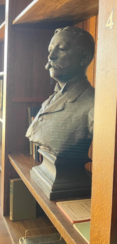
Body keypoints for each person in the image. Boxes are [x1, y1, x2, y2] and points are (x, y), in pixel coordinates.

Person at [26, 26, 95, 160]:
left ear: (85, 58)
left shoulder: (94, 105)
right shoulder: (54, 97)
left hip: (70, 175)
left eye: (61, 49)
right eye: (50, 50)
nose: (51, 56)